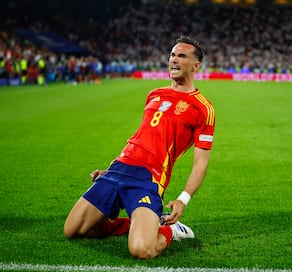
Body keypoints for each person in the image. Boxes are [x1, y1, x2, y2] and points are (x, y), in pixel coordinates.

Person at [64, 35, 215, 259]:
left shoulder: (203, 109)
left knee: (142, 250)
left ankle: (171, 230)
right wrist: (109, 169)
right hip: (119, 168)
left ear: (196, 65)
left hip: (149, 178)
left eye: (181, 56)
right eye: (172, 54)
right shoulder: (154, 94)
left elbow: (200, 163)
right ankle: (138, 223)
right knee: (73, 230)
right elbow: (142, 137)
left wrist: (183, 200)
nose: (174, 59)